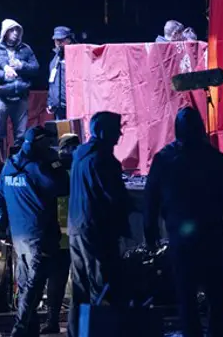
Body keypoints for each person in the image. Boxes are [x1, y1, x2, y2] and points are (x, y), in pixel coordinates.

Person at [144, 107, 223, 337]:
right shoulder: (214, 158)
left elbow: (151, 199)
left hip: (181, 238)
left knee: (187, 299)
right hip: (211, 235)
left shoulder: (164, 159)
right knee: (216, 298)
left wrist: (150, 234)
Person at [0, 126, 69, 337]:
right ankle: (20, 327)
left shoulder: (9, 166)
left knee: (25, 280)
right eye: (47, 142)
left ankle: (30, 328)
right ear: (39, 143)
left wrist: (6, 226)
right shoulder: (39, 168)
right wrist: (56, 164)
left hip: (18, 236)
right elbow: (62, 187)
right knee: (33, 282)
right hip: (38, 234)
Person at [66, 111, 131, 337]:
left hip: (77, 228)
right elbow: (114, 196)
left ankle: (76, 332)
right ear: (103, 132)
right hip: (96, 229)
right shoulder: (103, 160)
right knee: (101, 285)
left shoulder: (80, 156)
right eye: (116, 130)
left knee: (80, 286)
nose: (119, 134)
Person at [42, 133, 80, 334]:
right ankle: (75, 321)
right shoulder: (81, 166)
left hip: (61, 234)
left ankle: (54, 320)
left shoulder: (52, 168)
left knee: (57, 280)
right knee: (75, 280)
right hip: (75, 233)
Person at [0, 19, 39, 151]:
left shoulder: (26, 49)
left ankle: (19, 160)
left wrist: (22, 66)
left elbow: (36, 68)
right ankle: (0, 160)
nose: (15, 33)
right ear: (4, 32)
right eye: (11, 30)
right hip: (1, 97)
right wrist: (4, 75)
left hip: (21, 97)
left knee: (21, 135)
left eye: (17, 30)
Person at [47, 26, 74, 121]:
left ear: (69, 40)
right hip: (59, 106)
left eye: (61, 40)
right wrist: (50, 102)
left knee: (75, 129)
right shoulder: (55, 58)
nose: (58, 43)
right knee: (61, 130)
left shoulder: (76, 57)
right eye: (56, 40)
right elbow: (52, 82)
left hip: (73, 105)